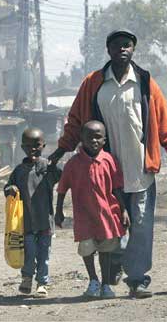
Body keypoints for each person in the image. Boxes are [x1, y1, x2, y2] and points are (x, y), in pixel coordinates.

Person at [49, 29, 167, 298]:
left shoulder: (145, 82)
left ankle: (137, 279)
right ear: (109, 50)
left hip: (139, 171)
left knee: (140, 225)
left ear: (133, 50)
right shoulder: (93, 83)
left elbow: (166, 124)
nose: (122, 50)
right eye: (117, 46)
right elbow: (75, 122)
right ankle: (113, 263)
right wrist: (59, 153)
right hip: (104, 174)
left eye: (127, 45)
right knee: (107, 222)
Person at [55, 120, 130, 298]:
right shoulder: (73, 164)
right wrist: (58, 211)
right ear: (82, 139)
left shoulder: (109, 160)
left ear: (104, 140)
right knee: (87, 249)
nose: (94, 141)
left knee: (106, 250)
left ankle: (105, 284)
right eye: (89, 137)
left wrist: (124, 210)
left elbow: (117, 187)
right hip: (84, 217)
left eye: (98, 137)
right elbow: (62, 188)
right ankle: (93, 280)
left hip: (106, 215)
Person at [4, 127, 61, 298]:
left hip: (45, 221)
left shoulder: (46, 166)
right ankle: (27, 279)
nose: (33, 149)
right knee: (28, 254)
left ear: (43, 145)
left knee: (44, 254)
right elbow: (7, 187)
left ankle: (42, 283)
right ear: (22, 147)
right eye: (28, 146)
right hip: (25, 222)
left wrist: (53, 164)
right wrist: (10, 189)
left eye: (36, 145)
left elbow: (60, 176)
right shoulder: (19, 170)